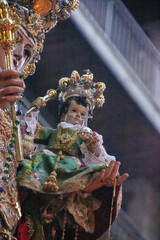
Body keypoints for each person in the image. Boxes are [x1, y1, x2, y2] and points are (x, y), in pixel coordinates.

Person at [17, 70, 128, 240]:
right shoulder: (57, 131)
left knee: (92, 170)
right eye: (74, 111)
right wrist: (33, 111)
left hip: (70, 166)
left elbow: (97, 154)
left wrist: (93, 146)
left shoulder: (85, 135)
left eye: (83, 114)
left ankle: (65, 197)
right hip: (47, 162)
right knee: (28, 166)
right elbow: (35, 132)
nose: (78, 116)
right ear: (64, 113)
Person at [0, 0, 79, 238]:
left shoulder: (18, 124)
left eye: (27, 52)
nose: (17, 55)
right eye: (13, 39)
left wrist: (80, 185)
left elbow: (24, 199)